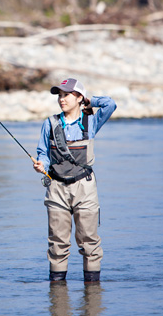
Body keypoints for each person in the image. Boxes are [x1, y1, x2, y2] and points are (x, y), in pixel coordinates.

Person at [33, 78, 116, 283]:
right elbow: (43, 152)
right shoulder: (50, 123)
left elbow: (110, 104)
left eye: (67, 95)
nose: (61, 99)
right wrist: (41, 165)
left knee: (89, 242)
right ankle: (58, 299)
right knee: (57, 243)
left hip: (85, 187)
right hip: (56, 187)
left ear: (79, 97)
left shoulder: (91, 121)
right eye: (59, 96)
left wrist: (89, 101)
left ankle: (92, 296)